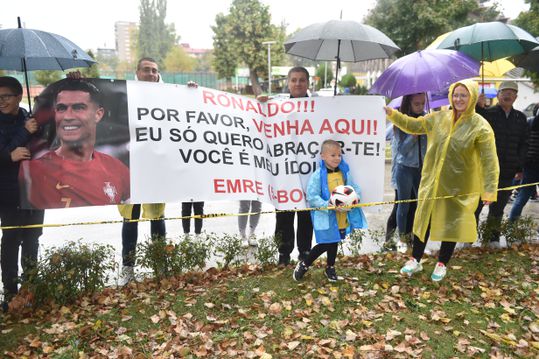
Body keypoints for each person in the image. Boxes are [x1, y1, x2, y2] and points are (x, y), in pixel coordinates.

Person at [385, 79, 499, 282]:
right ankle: (415, 259)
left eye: (464, 95)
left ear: (472, 97)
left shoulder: (480, 126)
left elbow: (490, 161)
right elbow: (414, 125)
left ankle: (442, 263)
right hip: (432, 181)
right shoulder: (438, 118)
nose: (459, 99)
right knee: (423, 219)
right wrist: (393, 115)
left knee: (452, 223)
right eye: (456, 95)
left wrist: (489, 190)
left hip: (459, 185)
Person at [19, 79, 130, 208]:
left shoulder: (117, 168)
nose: (68, 116)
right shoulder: (32, 171)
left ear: (98, 114)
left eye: (78, 108)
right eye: (61, 108)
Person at [118, 57, 166, 283]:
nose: (151, 74)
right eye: (146, 70)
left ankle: (160, 264)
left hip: (155, 166)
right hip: (128, 165)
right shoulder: (123, 93)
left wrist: (191, 95)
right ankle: (128, 267)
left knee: (157, 215)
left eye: (155, 71)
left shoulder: (169, 95)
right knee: (131, 217)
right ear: (136, 72)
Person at [260, 67, 313, 265]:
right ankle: (283, 253)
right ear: (288, 83)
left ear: (308, 83)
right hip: (284, 170)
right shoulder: (277, 106)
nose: (298, 84)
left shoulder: (318, 107)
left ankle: (305, 251)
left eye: (301, 80)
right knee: (284, 214)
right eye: (294, 80)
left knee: (306, 214)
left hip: (308, 171)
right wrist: (262, 106)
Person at [293, 139, 367, 282]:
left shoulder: (344, 174)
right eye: (333, 155)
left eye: (339, 155)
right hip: (326, 217)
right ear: (323, 156)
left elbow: (354, 188)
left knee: (335, 241)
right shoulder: (317, 175)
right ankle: (304, 264)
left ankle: (330, 268)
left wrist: (354, 198)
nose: (337, 158)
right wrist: (328, 204)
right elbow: (312, 196)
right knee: (327, 242)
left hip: (341, 216)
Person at [0, 76, 45, 310]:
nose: (1, 101)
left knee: (32, 239)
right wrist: (11, 154)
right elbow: (9, 150)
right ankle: (10, 294)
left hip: (34, 191)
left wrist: (72, 82)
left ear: (18, 96)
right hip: (8, 194)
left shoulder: (29, 118)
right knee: (10, 241)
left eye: (5, 96)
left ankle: (30, 291)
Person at [475, 81, 528, 248]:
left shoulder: (520, 117)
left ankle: (492, 239)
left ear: (516, 97)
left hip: (507, 171)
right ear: (498, 95)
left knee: (498, 208)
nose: (508, 95)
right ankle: (468, 238)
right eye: (504, 91)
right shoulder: (488, 113)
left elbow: (524, 144)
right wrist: (478, 107)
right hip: (485, 169)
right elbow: (474, 125)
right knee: (475, 206)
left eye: (512, 92)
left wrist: (519, 167)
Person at [388, 93, 427, 252]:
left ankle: (413, 238)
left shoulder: (426, 118)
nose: (420, 107)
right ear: (409, 103)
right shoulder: (401, 121)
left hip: (421, 168)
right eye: (417, 104)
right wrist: (413, 135)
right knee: (402, 206)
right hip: (404, 168)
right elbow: (402, 150)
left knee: (418, 205)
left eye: (423, 103)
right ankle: (401, 239)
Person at [509, 104, 539, 227]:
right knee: (522, 197)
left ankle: (511, 226)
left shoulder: (528, 123)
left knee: (522, 197)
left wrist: (520, 165)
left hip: (529, 165)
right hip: (531, 165)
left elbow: (522, 145)